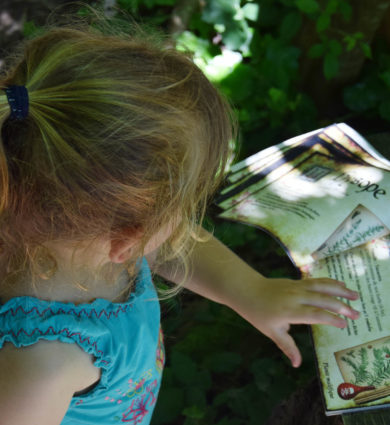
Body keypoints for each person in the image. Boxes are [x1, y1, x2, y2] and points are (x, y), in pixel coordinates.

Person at [0, 6, 359, 425]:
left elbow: (168, 243)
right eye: (182, 206)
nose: (185, 222)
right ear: (126, 241)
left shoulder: (68, 228)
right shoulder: (41, 365)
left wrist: (252, 291)